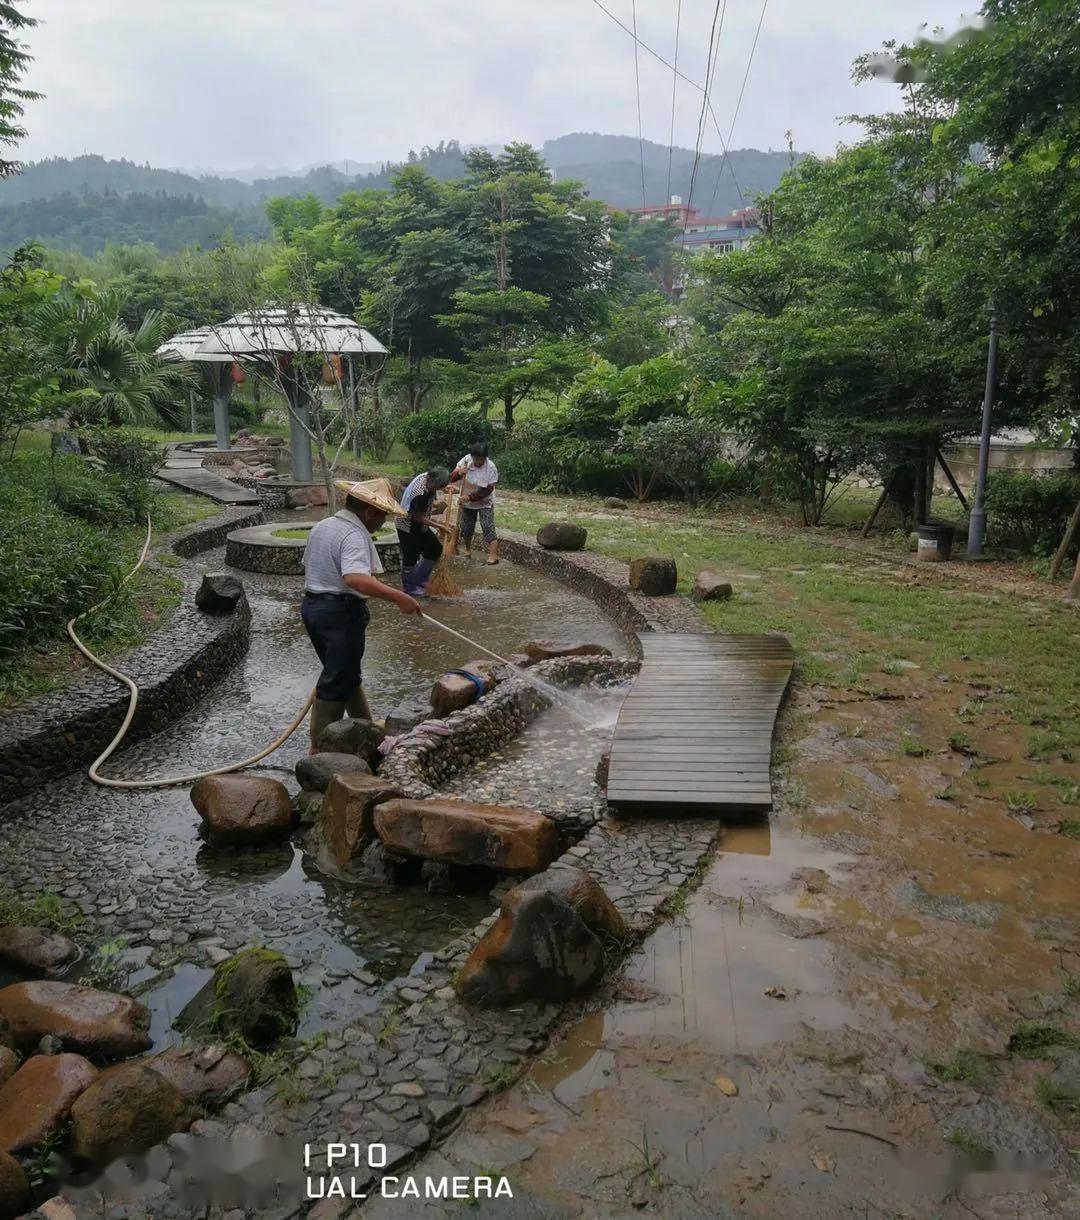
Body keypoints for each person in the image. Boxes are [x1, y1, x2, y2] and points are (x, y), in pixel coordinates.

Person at [300, 477, 421, 748]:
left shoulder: (324, 526)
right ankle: (319, 747)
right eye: (383, 516)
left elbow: (310, 564)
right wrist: (399, 597)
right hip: (339, 612)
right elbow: (355, 578)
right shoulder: (354, 534)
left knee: (346, 672)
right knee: (336, 678)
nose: (383, 522)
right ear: (369, 511)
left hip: (314, 607)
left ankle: (365, 727)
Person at [397, 466, 451, 595]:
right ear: (430, 480)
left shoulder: (426, 476)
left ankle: (420, 579)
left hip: (419, 521)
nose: (436, 490)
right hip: (406, 523)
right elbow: (419, 517)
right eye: (436, 487)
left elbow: (423, 513)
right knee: (411, 554)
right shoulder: (420, 494)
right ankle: (409, 587)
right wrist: (439, 526)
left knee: (435, 548)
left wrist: (444, 493)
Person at [450, 441, 500, 564]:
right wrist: (459, 473)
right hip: (467, 502)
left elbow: (489, 489)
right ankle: (467, 550)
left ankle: (493, 556)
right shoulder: (466, 461)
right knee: (466, 528)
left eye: (480, 460)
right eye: (475, 459)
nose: (477, 462)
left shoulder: (491, 467)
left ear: (485, 458)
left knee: (488, 527)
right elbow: (452, 478)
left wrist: (470, 497)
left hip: (484, 502)